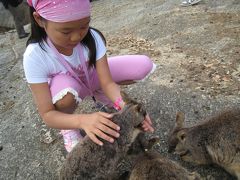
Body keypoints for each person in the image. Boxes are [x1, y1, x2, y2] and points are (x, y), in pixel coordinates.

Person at [23, 0, 156, 153]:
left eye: (84, 25)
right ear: (39, 19)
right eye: (66, 31)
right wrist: (82, 120)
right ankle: (68, 128)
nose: (76, 37)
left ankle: (101, 95)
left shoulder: (92, 37)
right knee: (65, 95)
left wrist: (127, 107)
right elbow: (47, 114)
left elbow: (108, 83)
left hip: (94, 78)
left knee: (142, 66)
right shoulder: (35, 55)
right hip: (70, 87)